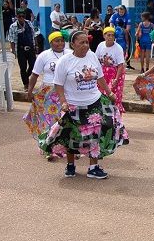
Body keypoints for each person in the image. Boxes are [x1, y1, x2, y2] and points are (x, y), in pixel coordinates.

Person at [39, 31, 128, 179]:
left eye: (87, 42)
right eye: (82, 42)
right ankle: (70, 165)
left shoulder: (92, 56)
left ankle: (93, 167)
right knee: (71, 134)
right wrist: (63, 102)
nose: (86, 45)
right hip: (73, 105)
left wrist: (109, 92)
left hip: (94, 102)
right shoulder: (65, 61)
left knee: (97, 132)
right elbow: (58, 84)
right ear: (73, 44)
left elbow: (99, 77)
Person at [24, 31, 72, 161]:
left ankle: (66, 148)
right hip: (48, 94)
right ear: (50, 42)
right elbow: (34, 75)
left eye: (62, 40)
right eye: (56, 41)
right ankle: (48, 149)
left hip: (65, 92)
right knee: (48, 122)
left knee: (63, 121)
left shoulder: (69, 54)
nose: (60, 43)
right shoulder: (44, 56)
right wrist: (30, 91)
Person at [95, 27, 126, 113]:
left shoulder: (118, 48)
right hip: (102, 73)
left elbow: (120, 65)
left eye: (112, 35)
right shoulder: (100, 45)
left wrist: (116, 79)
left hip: (115, 73)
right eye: (108, 35)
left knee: (114, 95)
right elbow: (96, 60)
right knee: (101, 93)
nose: (110, 37)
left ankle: (116, 119)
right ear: (104, 36)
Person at [8, 9, 37, 91]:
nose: (21, 18)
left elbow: (33, 34)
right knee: (23, 67)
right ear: (17, 16)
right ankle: (26, 84)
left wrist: (36, 45)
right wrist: (13, 51)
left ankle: (26, 76)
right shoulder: (13, 26)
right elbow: (11, 39)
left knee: (33, 65)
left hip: (30, 48)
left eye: (23, 16)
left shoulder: (29, 23)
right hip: (20, 49)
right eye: (19, 16)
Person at [110, 5, 134, 70]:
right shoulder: (114, 15)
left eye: (122, 11)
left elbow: (128, 28)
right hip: (116, 35)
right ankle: (115, 64)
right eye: (120, 11)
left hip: (125, 33)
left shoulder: (127, 16)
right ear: (118, 11)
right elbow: (111, 25)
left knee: (126, 51)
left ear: (125, 11)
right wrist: (114, 32)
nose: (121, 12)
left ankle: (127, 64)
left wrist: (124, 31)